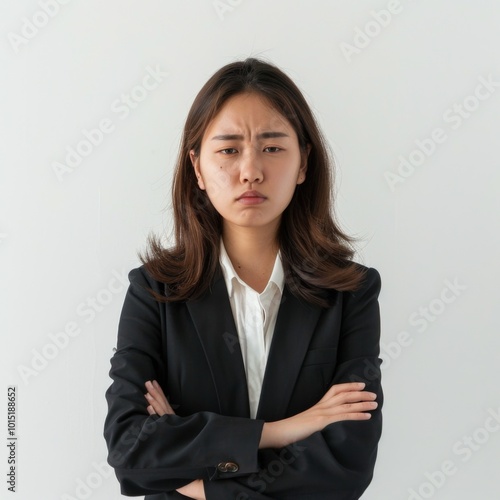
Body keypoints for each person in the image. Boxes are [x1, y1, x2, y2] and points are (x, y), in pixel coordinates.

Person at [103, 57, 383, 500]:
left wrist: (201, 483)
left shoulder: (352, 292)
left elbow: (345, 466)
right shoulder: (153, 291)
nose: (250, 169)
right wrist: (281, 431)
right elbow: (130, 448)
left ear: (304, 162)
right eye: (229, 149)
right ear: (197, 167)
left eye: (272, 147)